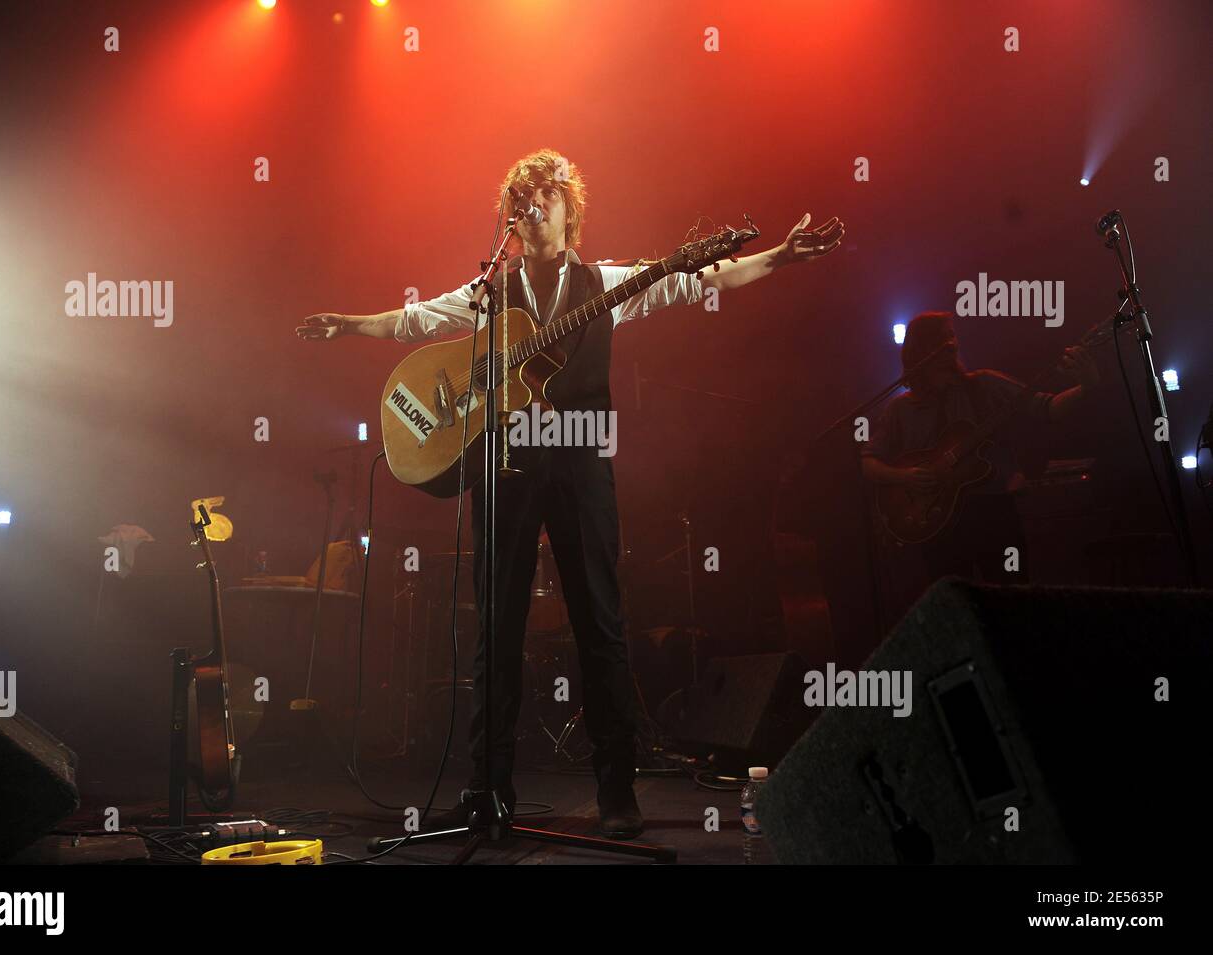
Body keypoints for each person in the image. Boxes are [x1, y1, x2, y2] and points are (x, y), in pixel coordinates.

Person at [298, 148, 843, 837]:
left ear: (569, 210)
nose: (530, 208)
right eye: (520, 200)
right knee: (495, 631)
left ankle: (619, 792)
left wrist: (783, 259)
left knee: (600, 623)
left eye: (543, 197)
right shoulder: (489, 295)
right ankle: (486, 791)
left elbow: (699, 278)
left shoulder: (604, 282)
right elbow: (417, 323)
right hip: (507, 467)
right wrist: (349, 324)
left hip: (582, 464)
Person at [860, 311, 1098, 585]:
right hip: (936, 524)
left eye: (952, 334)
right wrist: (905, 476)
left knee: (1010, 600)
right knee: (953, 612)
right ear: (921, 349)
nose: (952, 342)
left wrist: (1085, 387)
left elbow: (1047, 408)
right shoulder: (900, 409)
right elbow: (867, 462)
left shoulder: (984, 385)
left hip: (993, 515)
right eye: (942, 337)